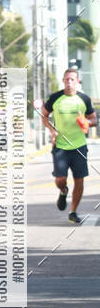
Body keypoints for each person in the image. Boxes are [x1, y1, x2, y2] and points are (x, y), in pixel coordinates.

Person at [41, 67, 97, 224]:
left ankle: (73, 211)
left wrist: (87, 122)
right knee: (60, 179)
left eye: (72, 79)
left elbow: (94, 120)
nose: (69, 82)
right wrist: (52, 130)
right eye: (67, 79)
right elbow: (44, 115)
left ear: (77, 81)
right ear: (63, 81)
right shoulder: (55, 98)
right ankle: (63, 191)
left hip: (79, 146)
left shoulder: (84, 99)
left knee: (79, 181)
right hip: (60, 146)